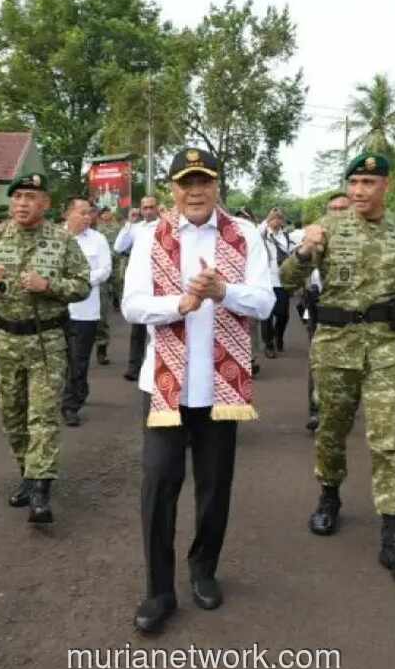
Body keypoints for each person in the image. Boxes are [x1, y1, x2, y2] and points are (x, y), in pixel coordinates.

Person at [122, 147, 273, 634]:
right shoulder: (150, 237)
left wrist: (223, 292)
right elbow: (131, 306)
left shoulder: (245, 235)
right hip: (164, 386)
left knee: (215, 487)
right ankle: (158, 590)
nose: (195, 191)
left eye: (203, 181)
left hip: (221, 388)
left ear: (217, 185)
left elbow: (266, 303)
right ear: (172, 188)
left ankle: (203, 568)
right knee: (159, 486)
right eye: (186, 182)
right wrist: (180, 303)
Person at [281, 153, 395, 586]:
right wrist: (305, 250)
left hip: (386, 345)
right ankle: (329, 497)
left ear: (388, 184)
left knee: (389, 440)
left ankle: (394, 534)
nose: (360, 191)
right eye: (355, 182)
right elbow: (287, 279)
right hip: (335, 345)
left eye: (369, 181)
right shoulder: (327, 228)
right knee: (332, 428)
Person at [0, 173, 89, 525]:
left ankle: (41, 491)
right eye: (17, 197)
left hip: (47, 342)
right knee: (12, 417)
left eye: (30, 197)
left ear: (45, 203)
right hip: (6, 341)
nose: (22, 203)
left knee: (43, 417)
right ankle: (28, 474)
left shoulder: (62, 241)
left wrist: (48, 285)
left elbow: (83, 286)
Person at [62, 197, 112, 427]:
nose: (87, 217)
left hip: (85, 309)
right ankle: (73, 391)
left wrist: (78, 283)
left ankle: (72, 404)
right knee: (59, 359)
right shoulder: (54, 237)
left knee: (78, 358)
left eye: (89, 213)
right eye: (82, 213)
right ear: (67, 214)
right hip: (56, 309)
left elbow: (104, 270)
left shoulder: (98, 239)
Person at [303, 193, 351, 432]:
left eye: (343, 208)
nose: (338, 213)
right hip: (321, 308)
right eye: (333, 209)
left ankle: (340, 408)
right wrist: (305, 250)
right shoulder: (316, 236)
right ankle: (317, 411)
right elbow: (290, 274)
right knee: (318, 361)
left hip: (357, 316)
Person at [115, 196, 162, 381]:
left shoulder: (165, 225)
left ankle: (159, 368)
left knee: (160, 330)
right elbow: (119, 247)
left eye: (151, 207)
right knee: (138, 331)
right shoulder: (135, 228)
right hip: (140, 286)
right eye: (145, 208)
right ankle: (134, 368)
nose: (148, 211)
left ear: (157, 208)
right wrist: (129, 223)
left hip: (160, 284)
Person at [258, 208, 292, 359]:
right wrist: (267, 217)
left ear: (282, 221)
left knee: (283, 315)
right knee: (267, 314)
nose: (276, 221)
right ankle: (269, 344)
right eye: (273, 219)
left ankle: (279, 336)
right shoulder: (262, 235)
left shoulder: (287, 236)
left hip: (282, 281)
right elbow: (255, 230)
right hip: (265, 281)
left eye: (279, 219)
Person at [93, 205, 123, 365]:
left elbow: (121, 245)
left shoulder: (117, 228)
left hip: (112, 265)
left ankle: (101, 349)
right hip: (90, 278)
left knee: (102, 316)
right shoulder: (97, 229)